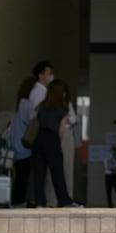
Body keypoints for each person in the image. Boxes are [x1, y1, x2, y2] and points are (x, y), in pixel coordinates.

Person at [31, 79, 80, 208]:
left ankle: (40, 202)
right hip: (52, 139)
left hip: (39, 139)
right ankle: (65, 200)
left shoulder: (41, 106)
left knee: (39, 174)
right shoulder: (62, 109)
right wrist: (57, 142)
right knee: (57, 172)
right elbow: (61, 129)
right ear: (60, 93)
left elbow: (35, 118)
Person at [9, 77, 37, 206]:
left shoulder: (19, 103)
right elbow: (33, 121)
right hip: (25, 147)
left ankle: (18, 201)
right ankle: (19, 202)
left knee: (21, 176)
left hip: (18, 146)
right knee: (23, 177)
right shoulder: (26, 104)